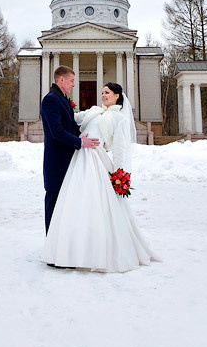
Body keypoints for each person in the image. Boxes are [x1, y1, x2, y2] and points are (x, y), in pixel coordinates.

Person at [41, 81, 160, 272]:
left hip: (97, 161)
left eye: (107, 92)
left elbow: (120, 149)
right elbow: (70, 117)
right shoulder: (93, 111)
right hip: (79, 159)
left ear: (117, 96)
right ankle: (71, 249)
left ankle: (98, 250)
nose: (103, 95)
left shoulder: (119, 118)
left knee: (97, 205)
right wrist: (60, 102)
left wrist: (120, 175)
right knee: (74, 204)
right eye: (102, 92)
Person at [40, 65, 99, 234]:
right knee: (54, 202)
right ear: (61, 79)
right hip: (57, 162)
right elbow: (57, 132)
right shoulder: (50, 99)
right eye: (72, 81)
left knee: (65, 206)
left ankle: (61, 248)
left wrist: (93, 134)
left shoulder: (63, 99)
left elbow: (73, 127)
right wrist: (81, 143)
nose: (74, 85)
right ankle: (51, 250)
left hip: (69, 161)